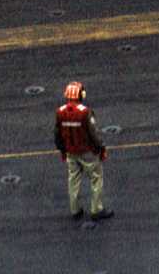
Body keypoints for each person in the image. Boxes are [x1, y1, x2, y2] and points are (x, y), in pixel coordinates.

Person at [54, 81, 112, 220]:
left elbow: (57, 134)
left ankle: (75, 210)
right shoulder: (85, 112)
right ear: (81, 95)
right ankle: (96, 209)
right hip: (88, 153)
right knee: (96, 179)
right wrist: (102, 148)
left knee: (73, 181)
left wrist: (62, 150)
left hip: (71, 153)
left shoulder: (60, 112)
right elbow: (94, 134)